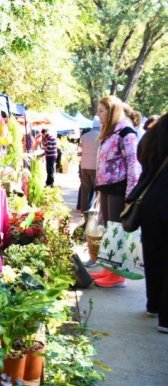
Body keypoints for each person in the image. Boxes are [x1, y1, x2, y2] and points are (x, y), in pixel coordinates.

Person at [89, 95, 141, 288]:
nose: (98, 115)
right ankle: (109, 269)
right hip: (108, 188)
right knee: (110, 230)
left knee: (117, 230)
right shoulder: (111, 132)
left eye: (102, 111)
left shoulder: (126, 132)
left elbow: (133, 165)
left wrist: (130, 196)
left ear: (112, 112)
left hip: (120, 190)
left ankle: (117, 275)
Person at [126, 113, 168, 333]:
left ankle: (153, 304)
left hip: (150, 203)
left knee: (153, 255)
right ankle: (166, 317)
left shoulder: (152, 136)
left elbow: (141, 159)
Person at [79, 116, 101, 216]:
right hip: (95, 165)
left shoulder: (84, 136)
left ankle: (83, 209)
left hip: (84, 164)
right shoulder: (101, 136)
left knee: (85, 189)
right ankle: (97, 209)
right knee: (97, 189)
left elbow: (80, 150)